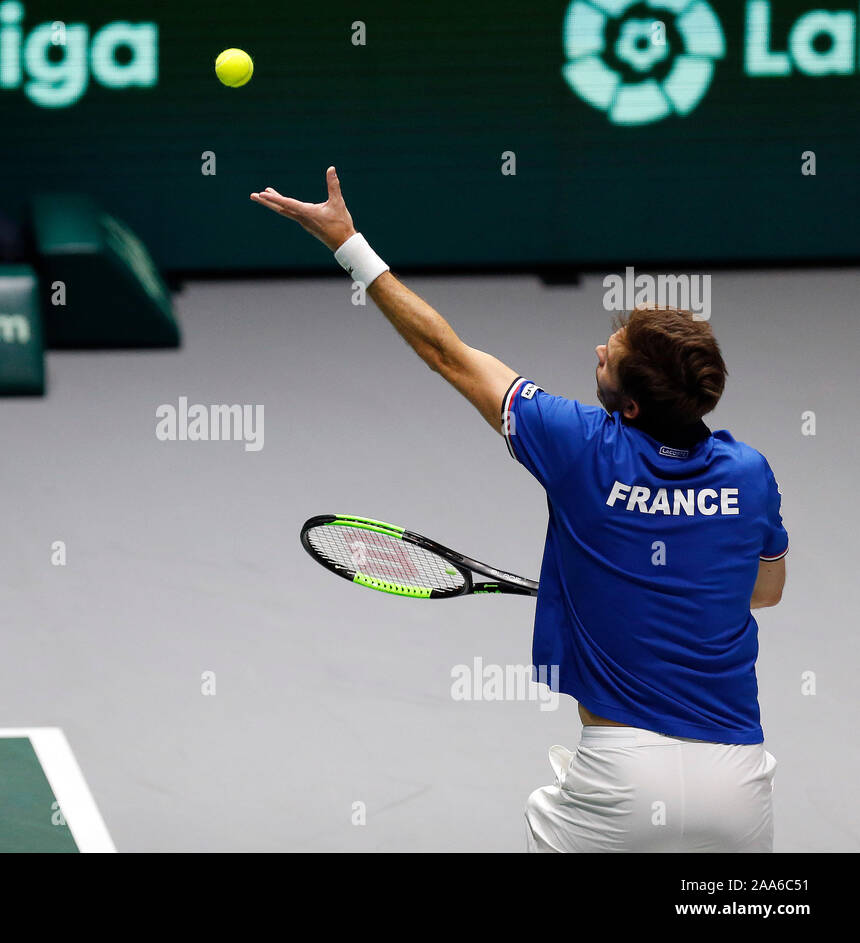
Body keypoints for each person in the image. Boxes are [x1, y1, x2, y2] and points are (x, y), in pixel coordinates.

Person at [251, 168, 788, 852]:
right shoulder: (751, 473)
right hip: (739, 783)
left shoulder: (575, 445)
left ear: (626, 407)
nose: (598, 350)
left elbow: (446, 354)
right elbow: (764, 592)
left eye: (608, 360)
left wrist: (349, 243)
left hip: (618, 781)